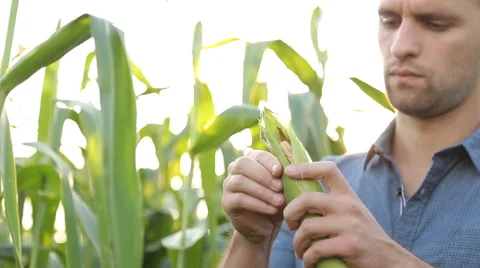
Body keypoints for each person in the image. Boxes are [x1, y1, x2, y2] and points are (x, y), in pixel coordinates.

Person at [218, 0, 480, 267]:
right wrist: (252, 242)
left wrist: (393, 262)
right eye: (389, 21)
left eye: (435, 24)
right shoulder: (315, 189)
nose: (400, 46)